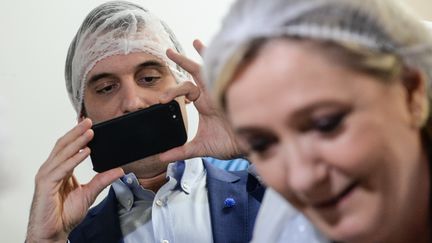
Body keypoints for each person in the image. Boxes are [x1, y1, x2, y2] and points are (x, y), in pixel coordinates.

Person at [25, 1, 264, 243]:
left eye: (149, 78)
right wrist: (44, 239)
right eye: (107, 88)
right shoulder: (73, 237)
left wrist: (260, 145)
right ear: (83, 118)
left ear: (184, 90)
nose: (133, 102)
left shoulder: (269, 187)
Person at [203, 0, 432, 242]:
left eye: (326, 124)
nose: (302, 179)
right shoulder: (283, 232)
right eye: (262, 144)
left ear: (410, 93)